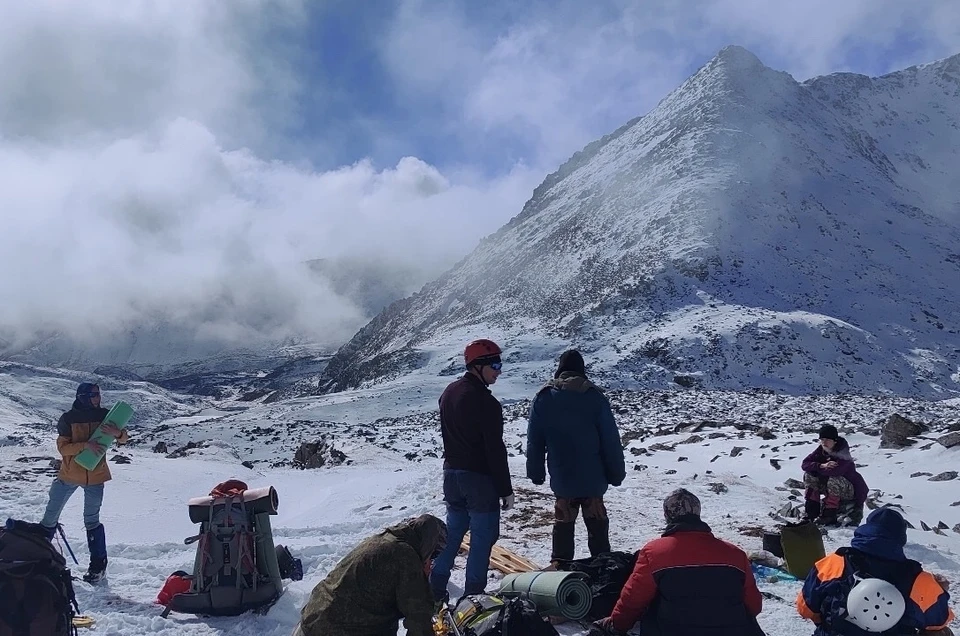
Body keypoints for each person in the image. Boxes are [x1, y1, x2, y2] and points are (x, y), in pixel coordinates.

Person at [594, 488, 764, 636]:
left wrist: (616, 626)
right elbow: (754, 606)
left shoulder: (654, 552)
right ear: (697, 513)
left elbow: (633, 600)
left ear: (668, 515)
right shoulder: (735, 554)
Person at [429, 338, 513, 602]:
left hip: (451, 476)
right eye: (495, 364)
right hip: (478, 481)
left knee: (453, 534)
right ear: (478, 366)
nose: (499, 370)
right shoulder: (487, 403)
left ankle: (434, 588)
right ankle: (473, 598)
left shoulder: (449, 393)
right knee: (482, 539)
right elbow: (494, 451)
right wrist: (505, 489)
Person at [526, 349, 625, 563]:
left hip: (563, 481)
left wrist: (536, 473)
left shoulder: (544, 398)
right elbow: (610, 441)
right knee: (598, 535)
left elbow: (535, 441)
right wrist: (616, 474)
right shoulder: (595, 398)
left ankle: (560, 575)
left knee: (563, 530)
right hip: (594, 481)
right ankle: (603, 572)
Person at [797, 507, 954, 635]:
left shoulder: (834, 563)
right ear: (900, 538)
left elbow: (805, 608)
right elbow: (940, 620)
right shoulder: (918, 579)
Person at [294, 514, 447, 636]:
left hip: (313, 618)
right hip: (337, 628)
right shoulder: (406, 557)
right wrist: (422, 580)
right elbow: (419, 618)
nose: (431, 560)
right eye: (433, 554)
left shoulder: (385, 540)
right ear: (428, 544)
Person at [39, 382, 128, 583]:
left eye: (99, 394)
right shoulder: (68, 419)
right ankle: (39, 559)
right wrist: (85, 445)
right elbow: (63, 449)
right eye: (94, 395)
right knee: (49, 518)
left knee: (91, 521)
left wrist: (118, 434)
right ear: (83, 396)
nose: (98, 398)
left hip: (95, 477)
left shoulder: (105, 414)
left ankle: (98, 567)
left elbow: (124, 439)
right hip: (69, 475)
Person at [801, 425, 868, 526]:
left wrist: (817, 469)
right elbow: (805, 464)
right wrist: (822, 465)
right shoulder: (821, 451)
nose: (824, 442)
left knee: (834, 479)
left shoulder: (843, 454)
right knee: (809, 475)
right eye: (822, 439)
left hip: (850, 492)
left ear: (835, 441)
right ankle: (811, 512)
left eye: (827, 439)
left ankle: (829, 514)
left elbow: (835, 472)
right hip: (830, 485)